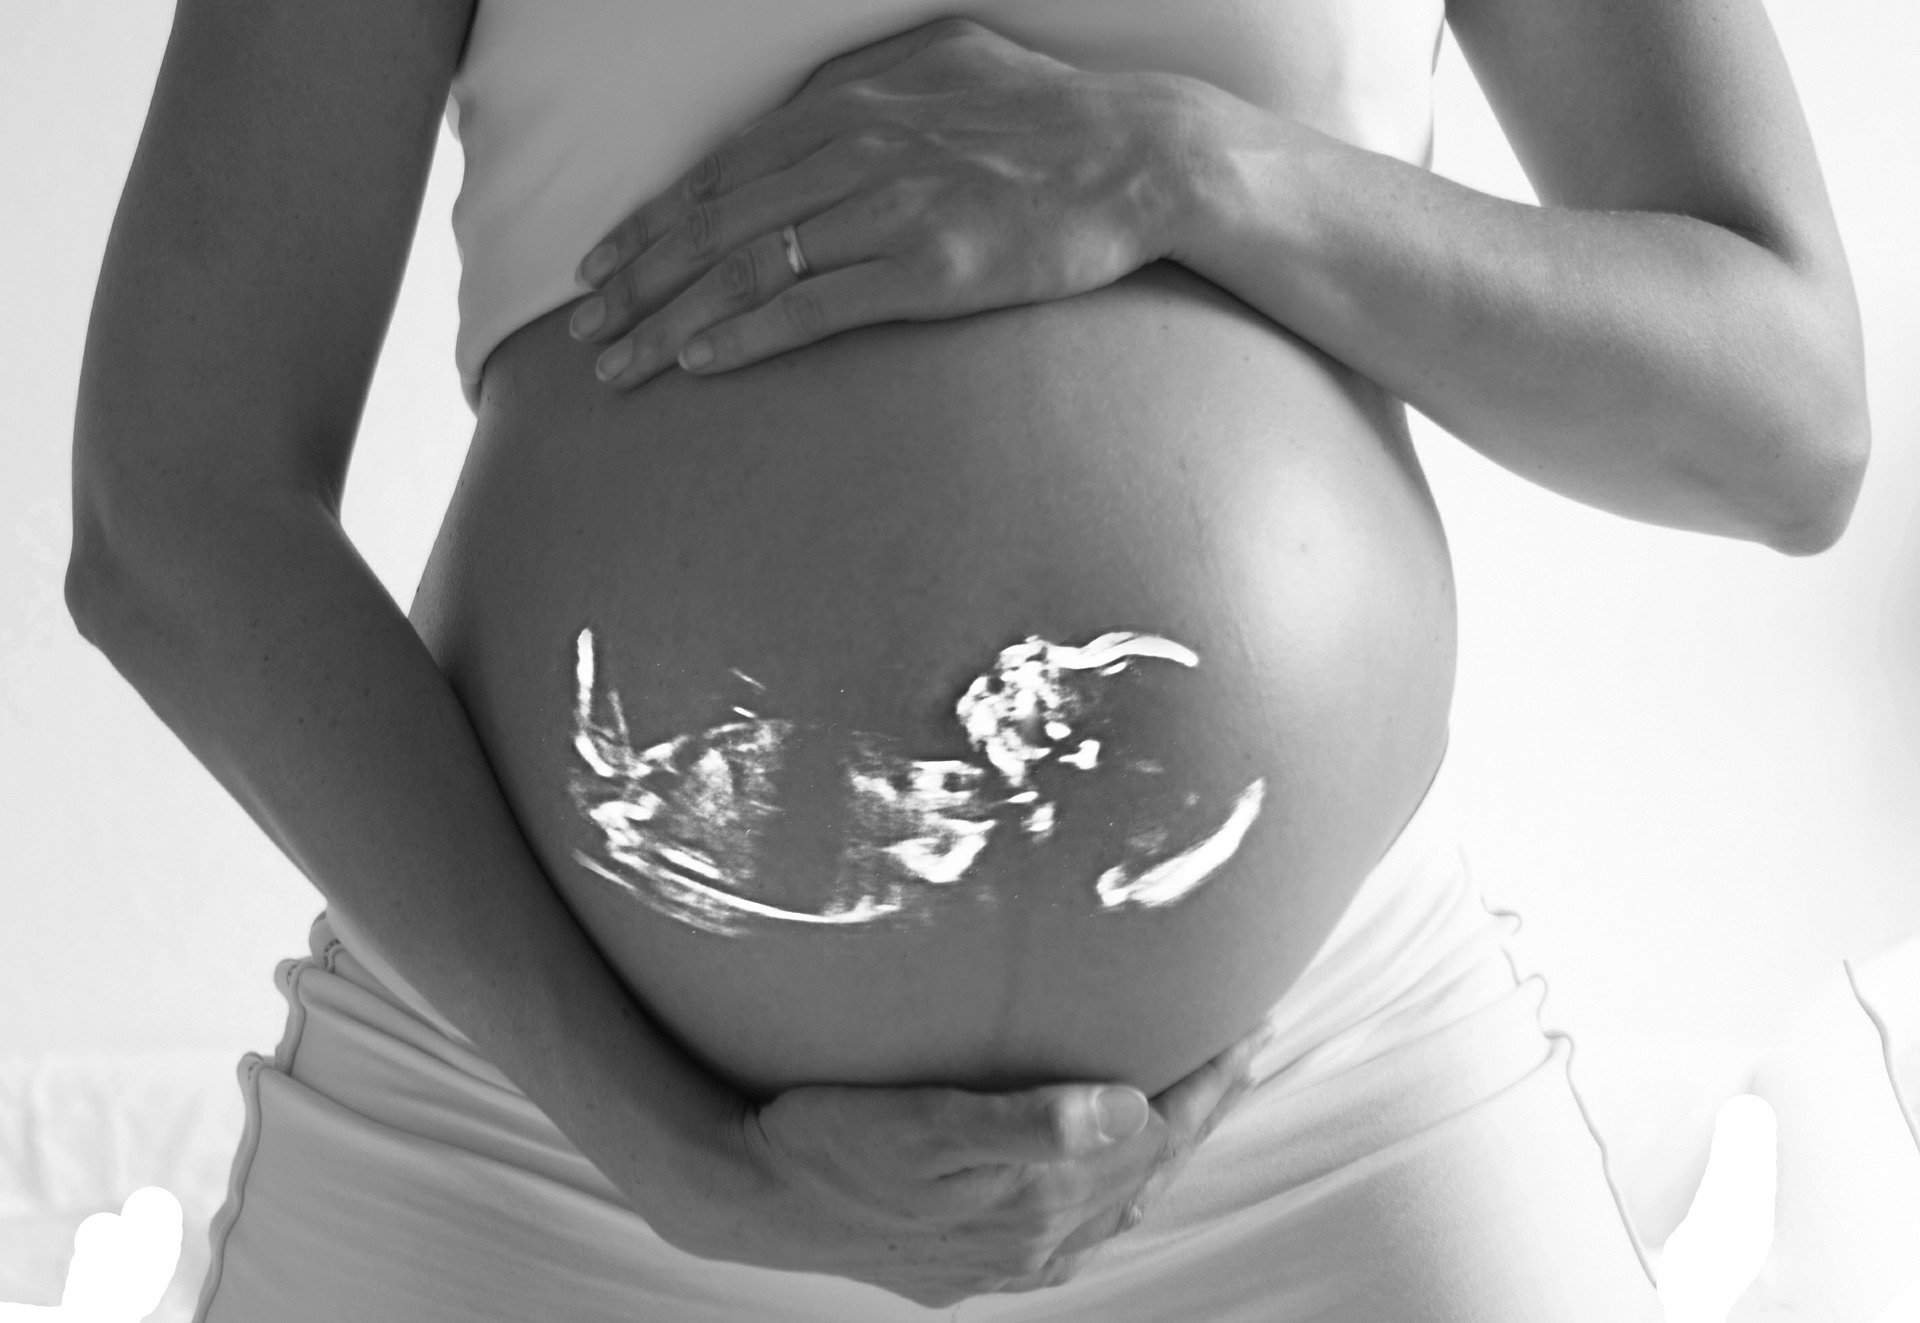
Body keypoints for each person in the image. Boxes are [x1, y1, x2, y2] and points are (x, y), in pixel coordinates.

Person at [66, 0, 1866, 1318]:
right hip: (536, 1127)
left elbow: (1783, 420)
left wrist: (1184, 167)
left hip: (1311, 1102)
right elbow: (174, 503)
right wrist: (671, 1153)